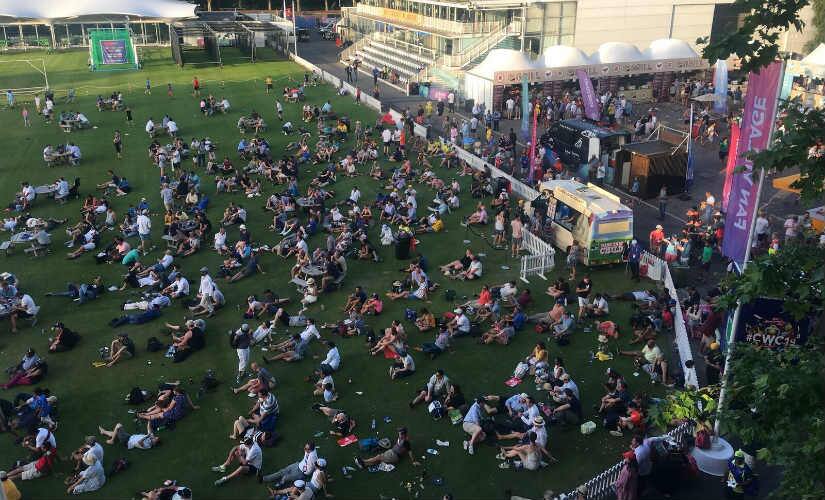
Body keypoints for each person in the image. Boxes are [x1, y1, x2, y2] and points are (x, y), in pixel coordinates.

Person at [354, 427, 420, 468]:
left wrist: (414, 461)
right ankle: (364, 465)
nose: (398, 433)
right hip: (392, 452)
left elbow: (410, 452)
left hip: (394, 455)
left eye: (399, 433)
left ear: (403, 434)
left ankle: (363, 461)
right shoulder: (401, 438)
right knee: (379, 460)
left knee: (379, 457)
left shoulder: (405, 442)